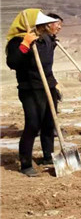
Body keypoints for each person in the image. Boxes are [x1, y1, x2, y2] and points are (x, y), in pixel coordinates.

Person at [5, 10, 61, 177]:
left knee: (49, 123)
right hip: (29, 88)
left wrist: (53, 42)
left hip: (47, 86)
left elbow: (46, 63)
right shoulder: (17, 41)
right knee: (33, 124)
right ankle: (26, 163)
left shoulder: (45, 39)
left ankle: (48, 156)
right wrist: (25, 44)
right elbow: (12, 62)